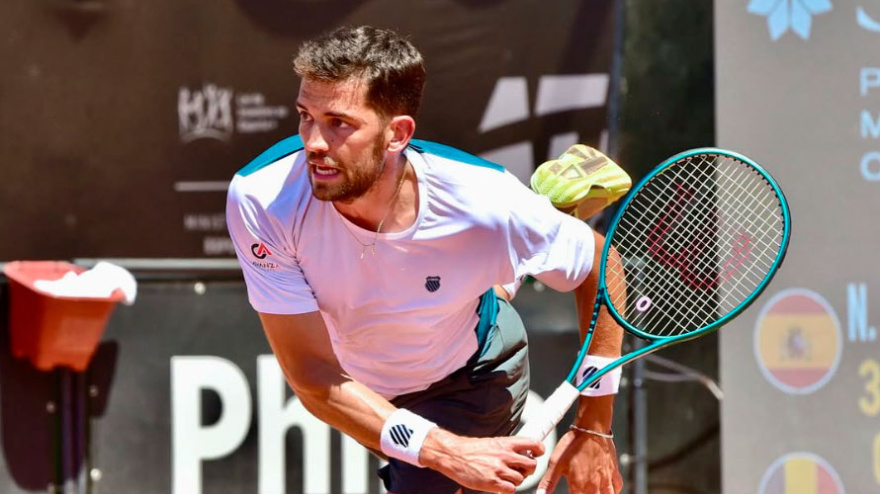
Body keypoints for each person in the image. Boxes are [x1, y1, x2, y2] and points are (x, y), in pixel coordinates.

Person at [226, 25, 627, 494]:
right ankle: (548, 214)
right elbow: (313, 375)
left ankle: (542, 226)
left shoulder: (482, 199)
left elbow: (602, 264)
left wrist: (595, 427)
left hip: (469, 377)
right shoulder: (262, 198)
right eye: (305, 116)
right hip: (371, 388)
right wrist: (446, 451)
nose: (313, 142)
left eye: (339, 123)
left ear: (397, 134)